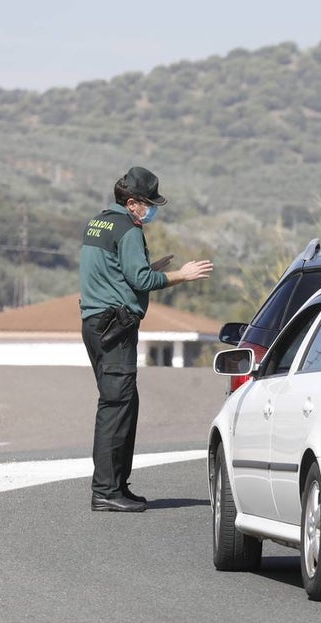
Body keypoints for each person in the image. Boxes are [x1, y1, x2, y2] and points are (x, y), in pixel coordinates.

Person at [79, 166, 213, 512]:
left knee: (123, 404)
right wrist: (181, 275)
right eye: (149, 204)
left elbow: (113, 274)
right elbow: (140, 280)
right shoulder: (128, 229)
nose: (152, 210)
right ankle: (106, 491)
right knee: (116, 407)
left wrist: (150, 269)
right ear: (133, 203)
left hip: (95, 324)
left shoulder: (98, 223)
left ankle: (116, 486)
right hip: (115, 327)